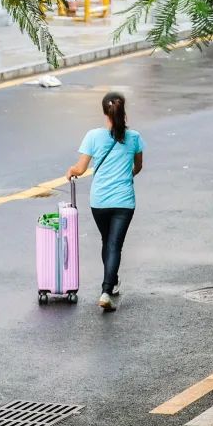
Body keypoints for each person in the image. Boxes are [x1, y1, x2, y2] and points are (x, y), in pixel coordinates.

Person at [66, 92, 144, 312]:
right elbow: (137, 167)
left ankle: (111, 283)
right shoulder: (135, 137)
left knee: (107, 241)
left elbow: (80, 169)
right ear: (123, 111)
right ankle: (107, 289)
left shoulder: (93, 136)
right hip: (124, 201)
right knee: (114, 244)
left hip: (99, 200)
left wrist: (71, 170)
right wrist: (126, 176)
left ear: (104, 111)